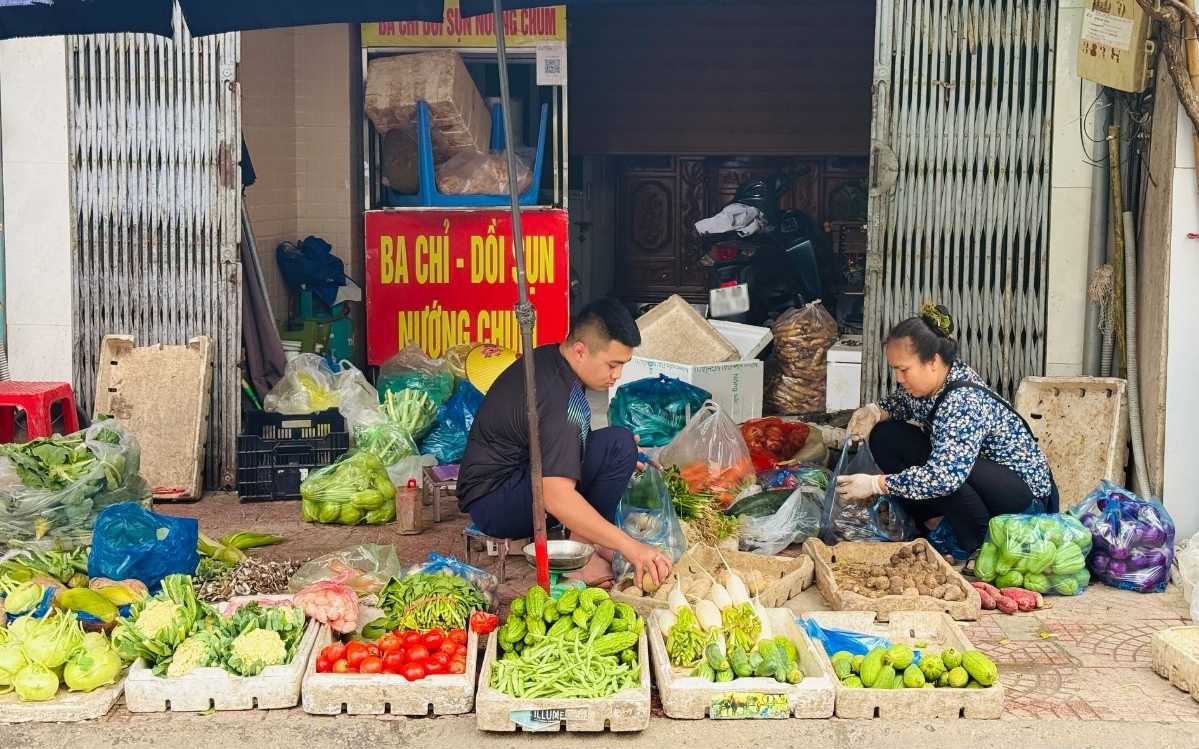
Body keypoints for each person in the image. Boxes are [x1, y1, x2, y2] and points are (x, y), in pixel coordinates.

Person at [457, 298, 673, 588]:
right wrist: (631, 546)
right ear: (580, 351)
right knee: (597, 464)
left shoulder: (553, 359)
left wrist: (617, 458)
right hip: (494, 501)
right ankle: (581, 560)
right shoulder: (560, 399)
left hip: (517, 475)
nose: (617, 375)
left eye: (622, 365)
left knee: (620, 445)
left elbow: (565, 442)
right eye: (612, 365)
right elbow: (555, 496)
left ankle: (589, 543)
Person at [835, 303, 1058, 554]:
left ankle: (976, 542)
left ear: (933, 361)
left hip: (1023, 501)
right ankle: (936, 522)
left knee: (945, 469)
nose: (898, 378)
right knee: (886, 435)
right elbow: (903, 403)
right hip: (979, 481)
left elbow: (944, 477)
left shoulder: (962, 401)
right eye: (895, 369)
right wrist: (875, 411)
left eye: (904, 369)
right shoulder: (936, 382)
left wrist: (876, 484)